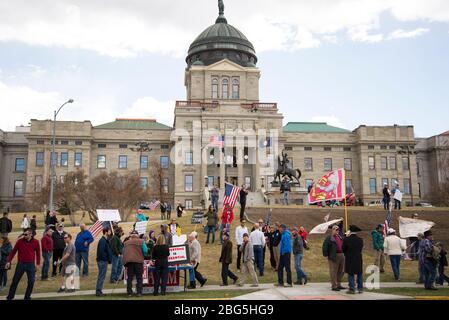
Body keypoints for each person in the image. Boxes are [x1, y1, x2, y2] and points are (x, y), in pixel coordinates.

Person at [5, 228, 41, 300]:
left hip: (31, 265)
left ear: (31, 234)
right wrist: (8, 261)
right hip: (20, 264)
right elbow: (13, 252)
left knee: (31, 281)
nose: (24, 235)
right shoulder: (19, 241)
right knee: (15, 281)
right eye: (24, 234)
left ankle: (27, 297)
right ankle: (10, 297)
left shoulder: (36, 242)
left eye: (26, 234)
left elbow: (38, 254)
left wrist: (38, 264)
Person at [123, 230, 147, 297]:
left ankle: (129, 293)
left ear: (131, 235)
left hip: (129, 262)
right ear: (137, 235)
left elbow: (123, 252)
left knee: (129, 278)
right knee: (139, 278)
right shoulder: (141, 241)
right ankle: (139, 292)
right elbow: (145, 251)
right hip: (138, 262)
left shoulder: (126, 243)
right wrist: (143, 256)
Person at [322, 225, 346, 291]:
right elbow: (325, 246)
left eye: (337, 229)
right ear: (332, 230)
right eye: (335, 229)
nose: (337, 231)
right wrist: (326, 254)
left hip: (341, 254)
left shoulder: (339, 237)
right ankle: (334, 286)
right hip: (333, 256)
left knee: (341, 271)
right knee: (333, 271)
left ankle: (339, 284)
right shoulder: (329, 238)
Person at [343, 225, 364, 294]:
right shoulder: (360, 240)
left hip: (349, 258)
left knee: (350, 273)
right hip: (358, 258)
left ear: (350, 231)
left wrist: (347, 253)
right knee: (359, 273)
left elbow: (343, 249)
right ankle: (360, 288)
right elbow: (360, 249)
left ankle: (352, 289)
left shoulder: (346, 239)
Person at [96, 228, 112, 297]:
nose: (110, 232)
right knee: (101, 276)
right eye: (109, 231)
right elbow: (102, 252)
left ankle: (99, 290)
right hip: (102, 261)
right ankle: (98, 291)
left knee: (101, 276)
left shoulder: (105, 240)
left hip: (103, 261)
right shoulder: (102, 240)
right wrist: (107, 259)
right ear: (106, 232)